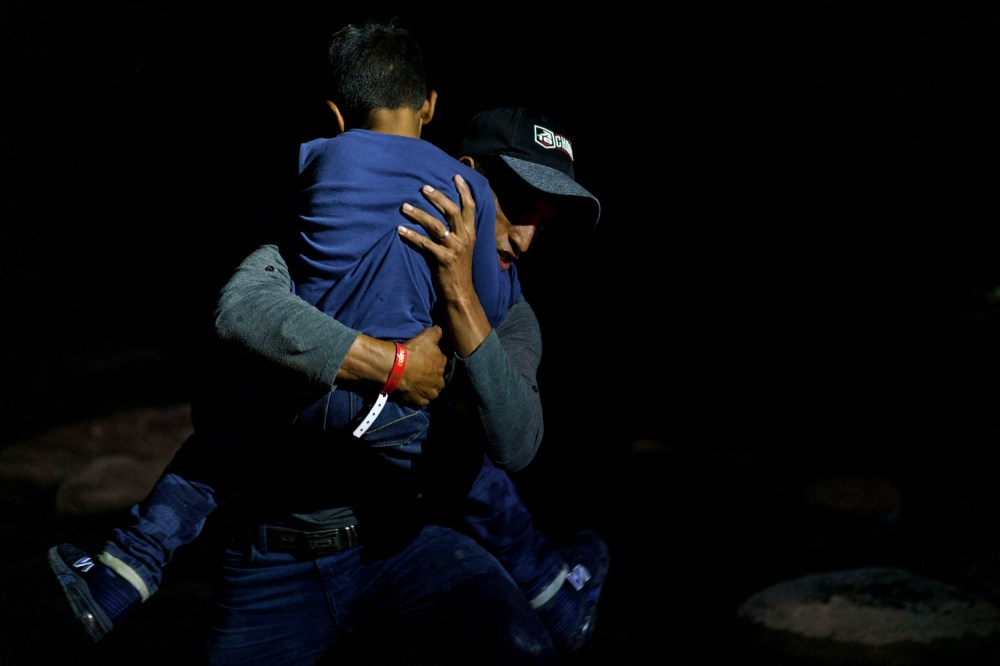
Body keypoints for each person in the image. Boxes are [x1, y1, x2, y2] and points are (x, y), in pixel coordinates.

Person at [47, 19, 606, 662]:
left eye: (549, 220)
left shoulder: (509, 311)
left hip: (404, 543)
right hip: (275, 553)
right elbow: (242, 307)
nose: (527, 237)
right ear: (467, 177)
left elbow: (517, 441)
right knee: (249, 401)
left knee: (520, 638)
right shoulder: (316, 227)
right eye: (516, 202)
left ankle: (551, 591)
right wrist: (394, 366)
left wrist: (461, 296)